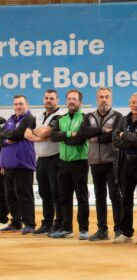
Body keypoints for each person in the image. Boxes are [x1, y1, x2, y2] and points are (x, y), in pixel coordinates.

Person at [81, 87, 123, 241]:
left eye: (106, 97)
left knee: (114, 196)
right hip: (95, 162)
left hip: (112, 162)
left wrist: (96, 136)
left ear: (111, 99)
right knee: (99, 197)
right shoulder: (89, 116)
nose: (104, 100)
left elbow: (114, 135)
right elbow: (84, 133)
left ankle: (119, 229)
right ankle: (102, 230)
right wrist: (103, 130)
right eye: (101, 97)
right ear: (96, 99)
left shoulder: (118, 116)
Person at [50, 89, 90, 239]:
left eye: (74, 99)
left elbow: (79, 139)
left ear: (80, 102)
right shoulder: (61, 119)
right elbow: (53, 136)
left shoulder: (85, 118)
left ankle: (84, 230)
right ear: (66, 101)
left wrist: (64, 137)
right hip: (63, 163)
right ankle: (67, 229)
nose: (71, 101)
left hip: (79, 162)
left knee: (82, 198)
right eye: (69, 99)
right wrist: (68, 134)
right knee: (64, 198)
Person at [112, 92, 137, 245]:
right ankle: (126, 232)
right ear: (129, 104)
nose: (136, 105)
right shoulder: (123, 119)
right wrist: (131, 139)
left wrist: (124, 136)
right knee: (126, 199)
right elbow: (115, 140)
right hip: (125, 164)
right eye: (134, 103)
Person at [24, 90, 64, 235]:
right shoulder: (38, 116)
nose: (48, 100)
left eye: (52, 98)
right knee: (44, 192)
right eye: (46, 98)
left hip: (55, 158)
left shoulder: (60, 116)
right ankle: (47, 223)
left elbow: (45, 131)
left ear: (57, 101)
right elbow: (26, 133)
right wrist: (37, 135)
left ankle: (59, 223)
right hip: (40, 160)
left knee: (56, 192)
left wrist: (37, 133)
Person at [0, 95, 36, 234]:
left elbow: (17, 134)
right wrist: (6, 140)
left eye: (21, 103)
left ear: (27, 104)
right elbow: (4, 135)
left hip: (23, 164)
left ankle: (30, 223)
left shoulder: (29, 119)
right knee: (11, 196)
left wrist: (7, 136)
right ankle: (16, 223)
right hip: (8, 165)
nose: (18, 106)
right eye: (15, 104)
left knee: (24, 195)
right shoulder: (10, 119)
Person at [0, 116, 9, 231]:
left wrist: (2, 163)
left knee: (1, 192)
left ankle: (2, 219)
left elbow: (4, 144)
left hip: (1, 163)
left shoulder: (2, 121)